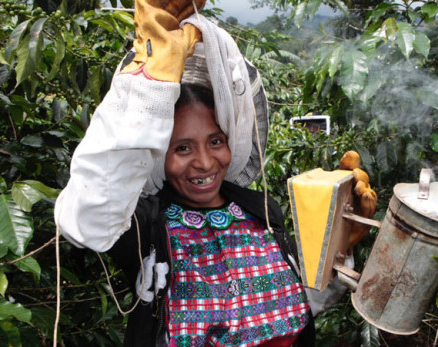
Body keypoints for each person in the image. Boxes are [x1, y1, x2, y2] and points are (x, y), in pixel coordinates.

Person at [55, 0, 318, 345]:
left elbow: (294, 304)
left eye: (215, 141)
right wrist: (151, 87)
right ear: (158, 153)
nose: (205, 163)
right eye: (182, 148)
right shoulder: (145, 225)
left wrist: (337, 243)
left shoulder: (262, 211)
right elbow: (87, 221)